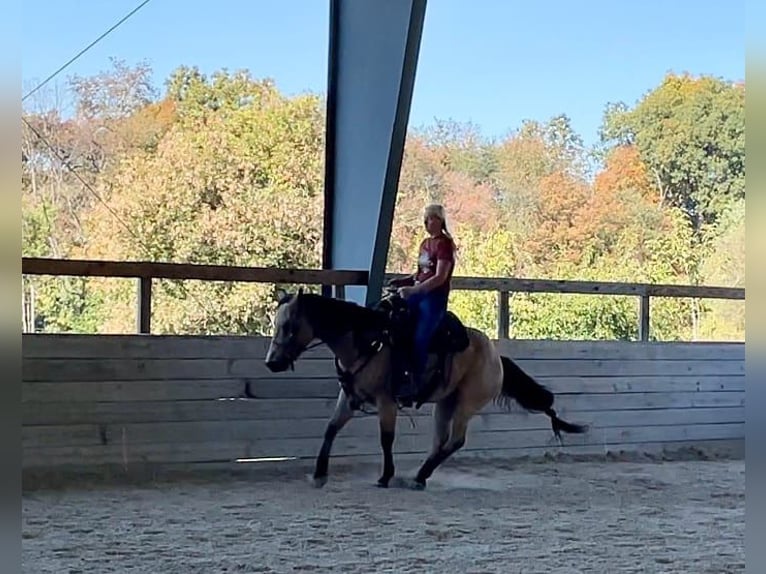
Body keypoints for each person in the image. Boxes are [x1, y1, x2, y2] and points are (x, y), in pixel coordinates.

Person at [388, 203, 457, 405]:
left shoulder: (445, 245)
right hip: (418, 294)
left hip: (434, 298)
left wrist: (415, 290)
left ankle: (416, 382)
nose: (428, 223)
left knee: (420, 337)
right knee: (395, 325)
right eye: (426, 219)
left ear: (441, 220)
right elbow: (421, 273)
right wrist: (404, 281)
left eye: (433, 218)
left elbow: (440, 277)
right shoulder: (425, 243)